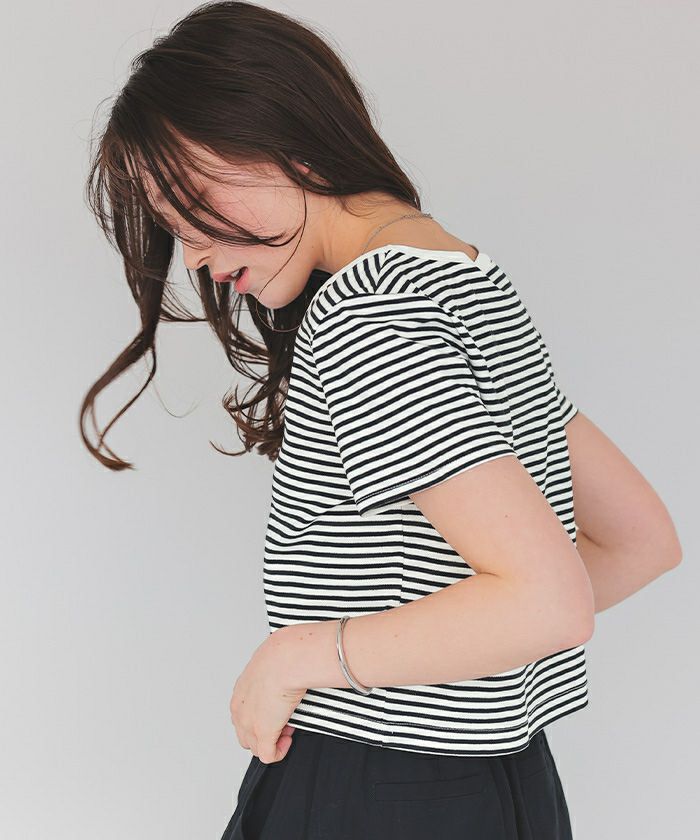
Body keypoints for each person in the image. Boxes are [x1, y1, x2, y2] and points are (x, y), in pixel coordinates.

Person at [81, 2, 683, 838]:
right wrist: (467, 651)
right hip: (506, 786)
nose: (197, 258)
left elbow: (549, 603)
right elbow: (640, 541)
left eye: (191, 207)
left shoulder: (369, 312)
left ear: (279, 136)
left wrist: (297, 657)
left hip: (375, 787)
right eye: (174, 229)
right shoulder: (470, 281)